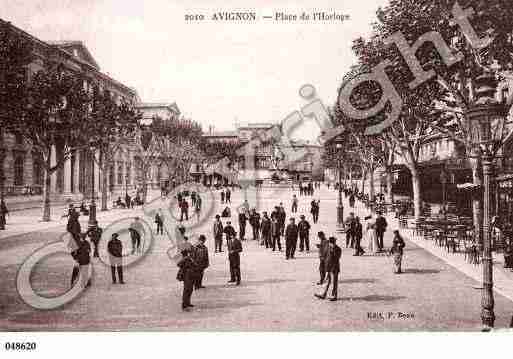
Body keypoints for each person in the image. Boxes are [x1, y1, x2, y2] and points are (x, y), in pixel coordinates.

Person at [315, 236, 341, 301]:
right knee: (326, 281)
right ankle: (323, 294)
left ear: (335, 243)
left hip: (334, 268)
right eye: (330, 243)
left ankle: (334, 295)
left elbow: (337, 257)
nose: (331, 244)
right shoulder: (327, 248)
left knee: (334, 282)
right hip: (328, 267)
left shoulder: (338, 249)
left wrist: (333, 250)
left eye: (333, 243)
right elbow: (324, 255)